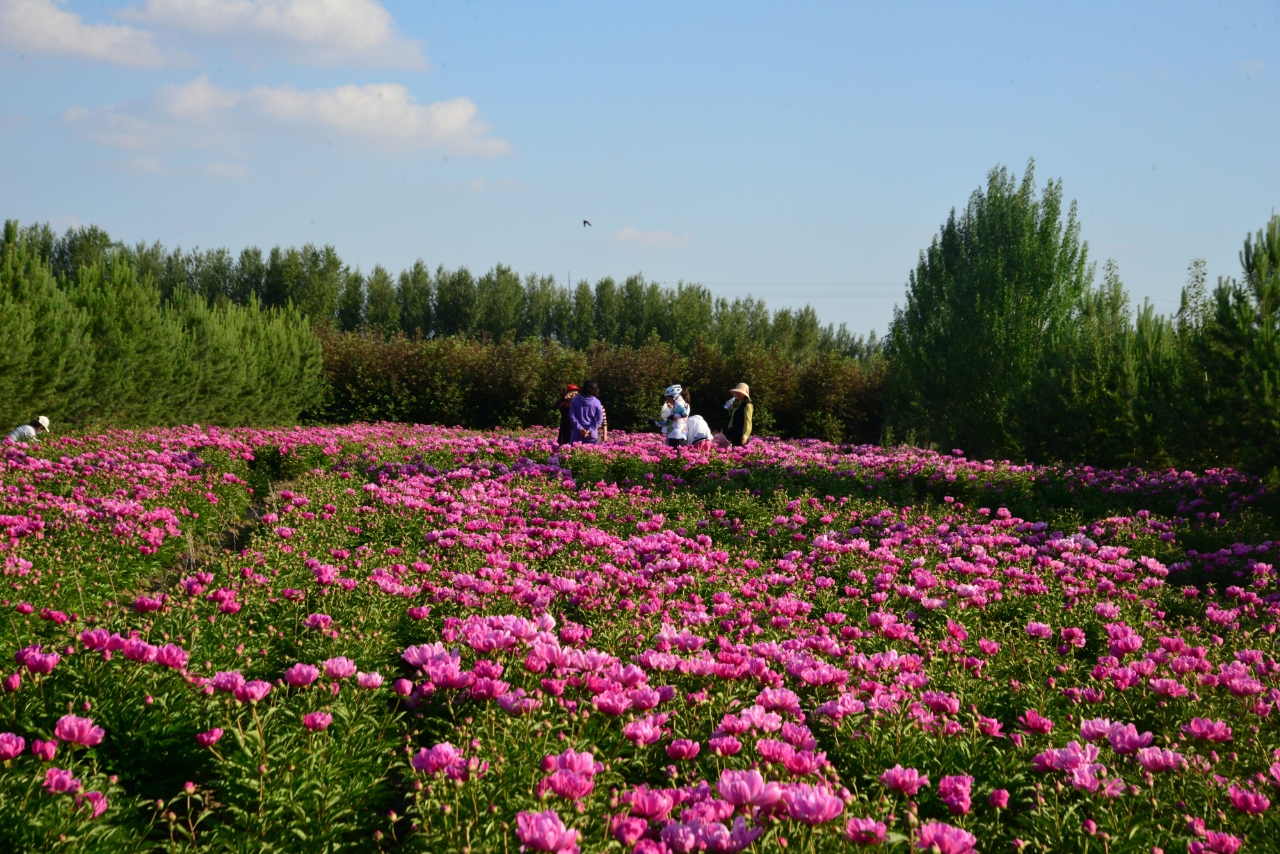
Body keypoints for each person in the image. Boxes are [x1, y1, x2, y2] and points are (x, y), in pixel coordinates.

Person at [718, 383, 753, 447]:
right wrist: (730, 409)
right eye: (736, 392)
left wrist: (745, 435)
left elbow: (748, 421)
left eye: (739, 392)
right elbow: (733, 419)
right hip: (735, 434)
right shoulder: (738, 406)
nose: (737, 394)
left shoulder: (747, 405)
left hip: (741, 435)